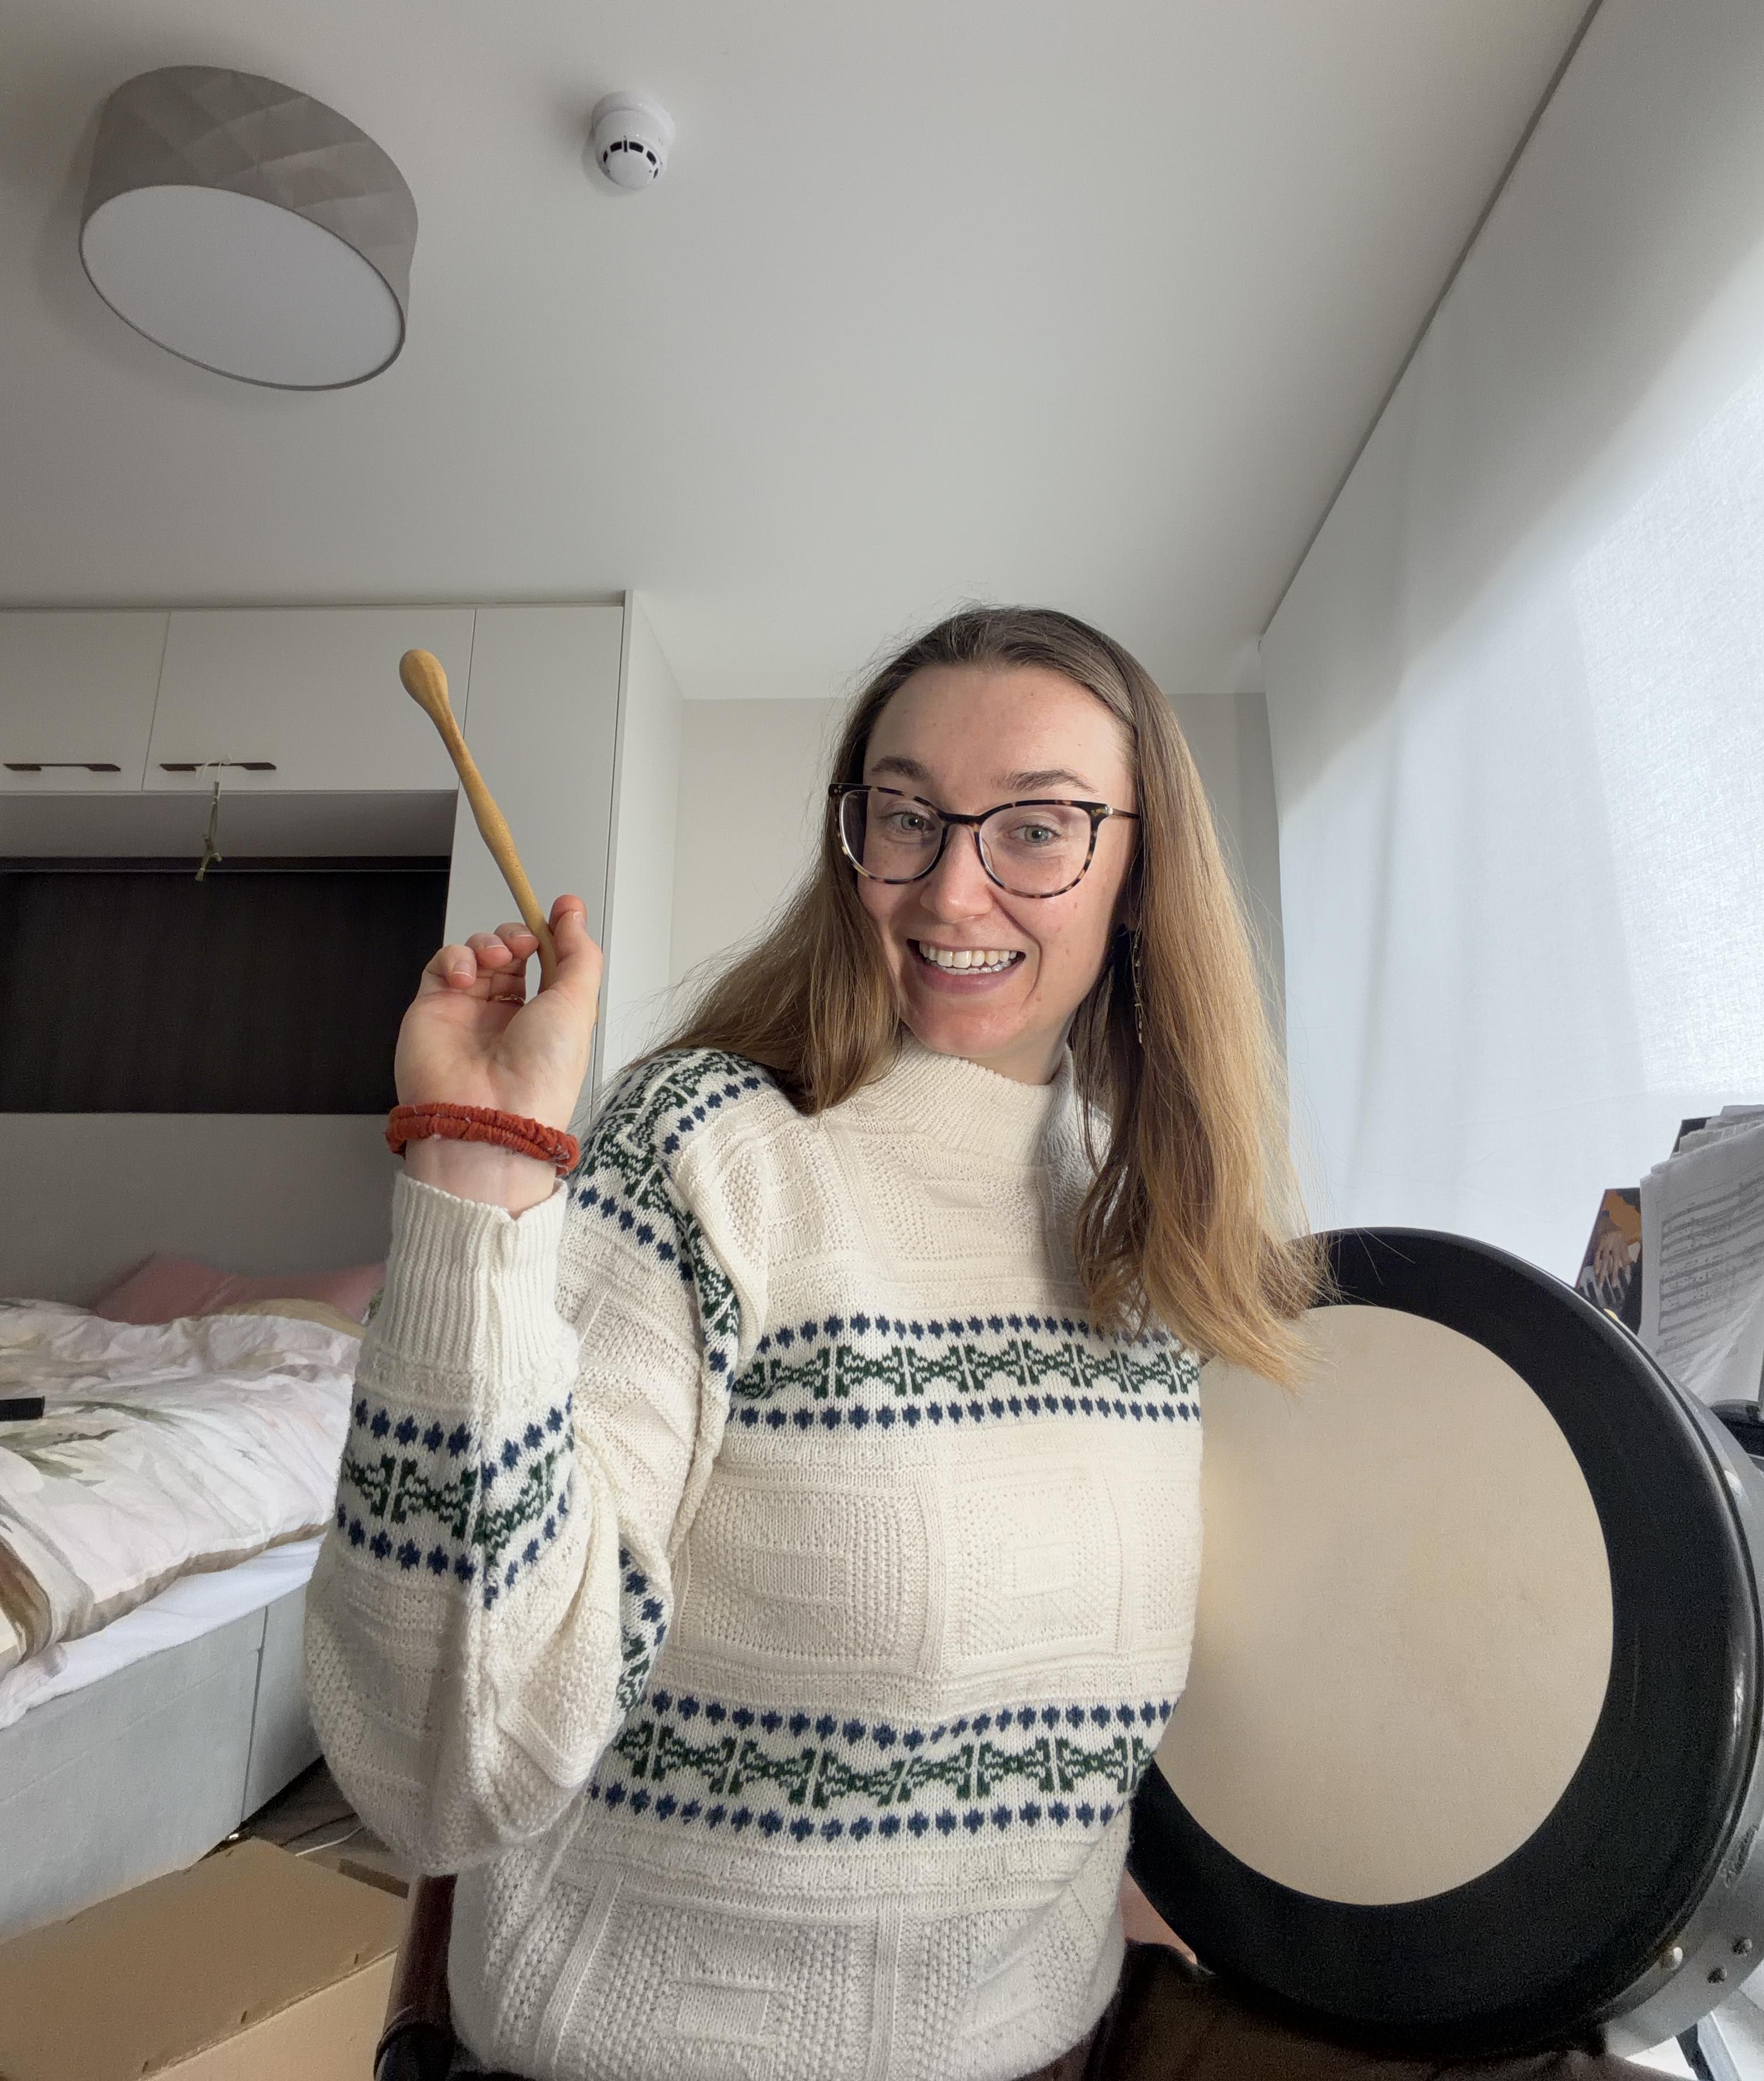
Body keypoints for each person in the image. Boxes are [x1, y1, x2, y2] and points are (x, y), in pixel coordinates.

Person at [308, 606, 1650, 2081]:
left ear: (1137, 874)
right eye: (907, 816)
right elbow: (448, 1768)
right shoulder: (709, 1149)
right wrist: (478, 1166)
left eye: (1038, 828)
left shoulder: (1152, 1220)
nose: (953, 885)